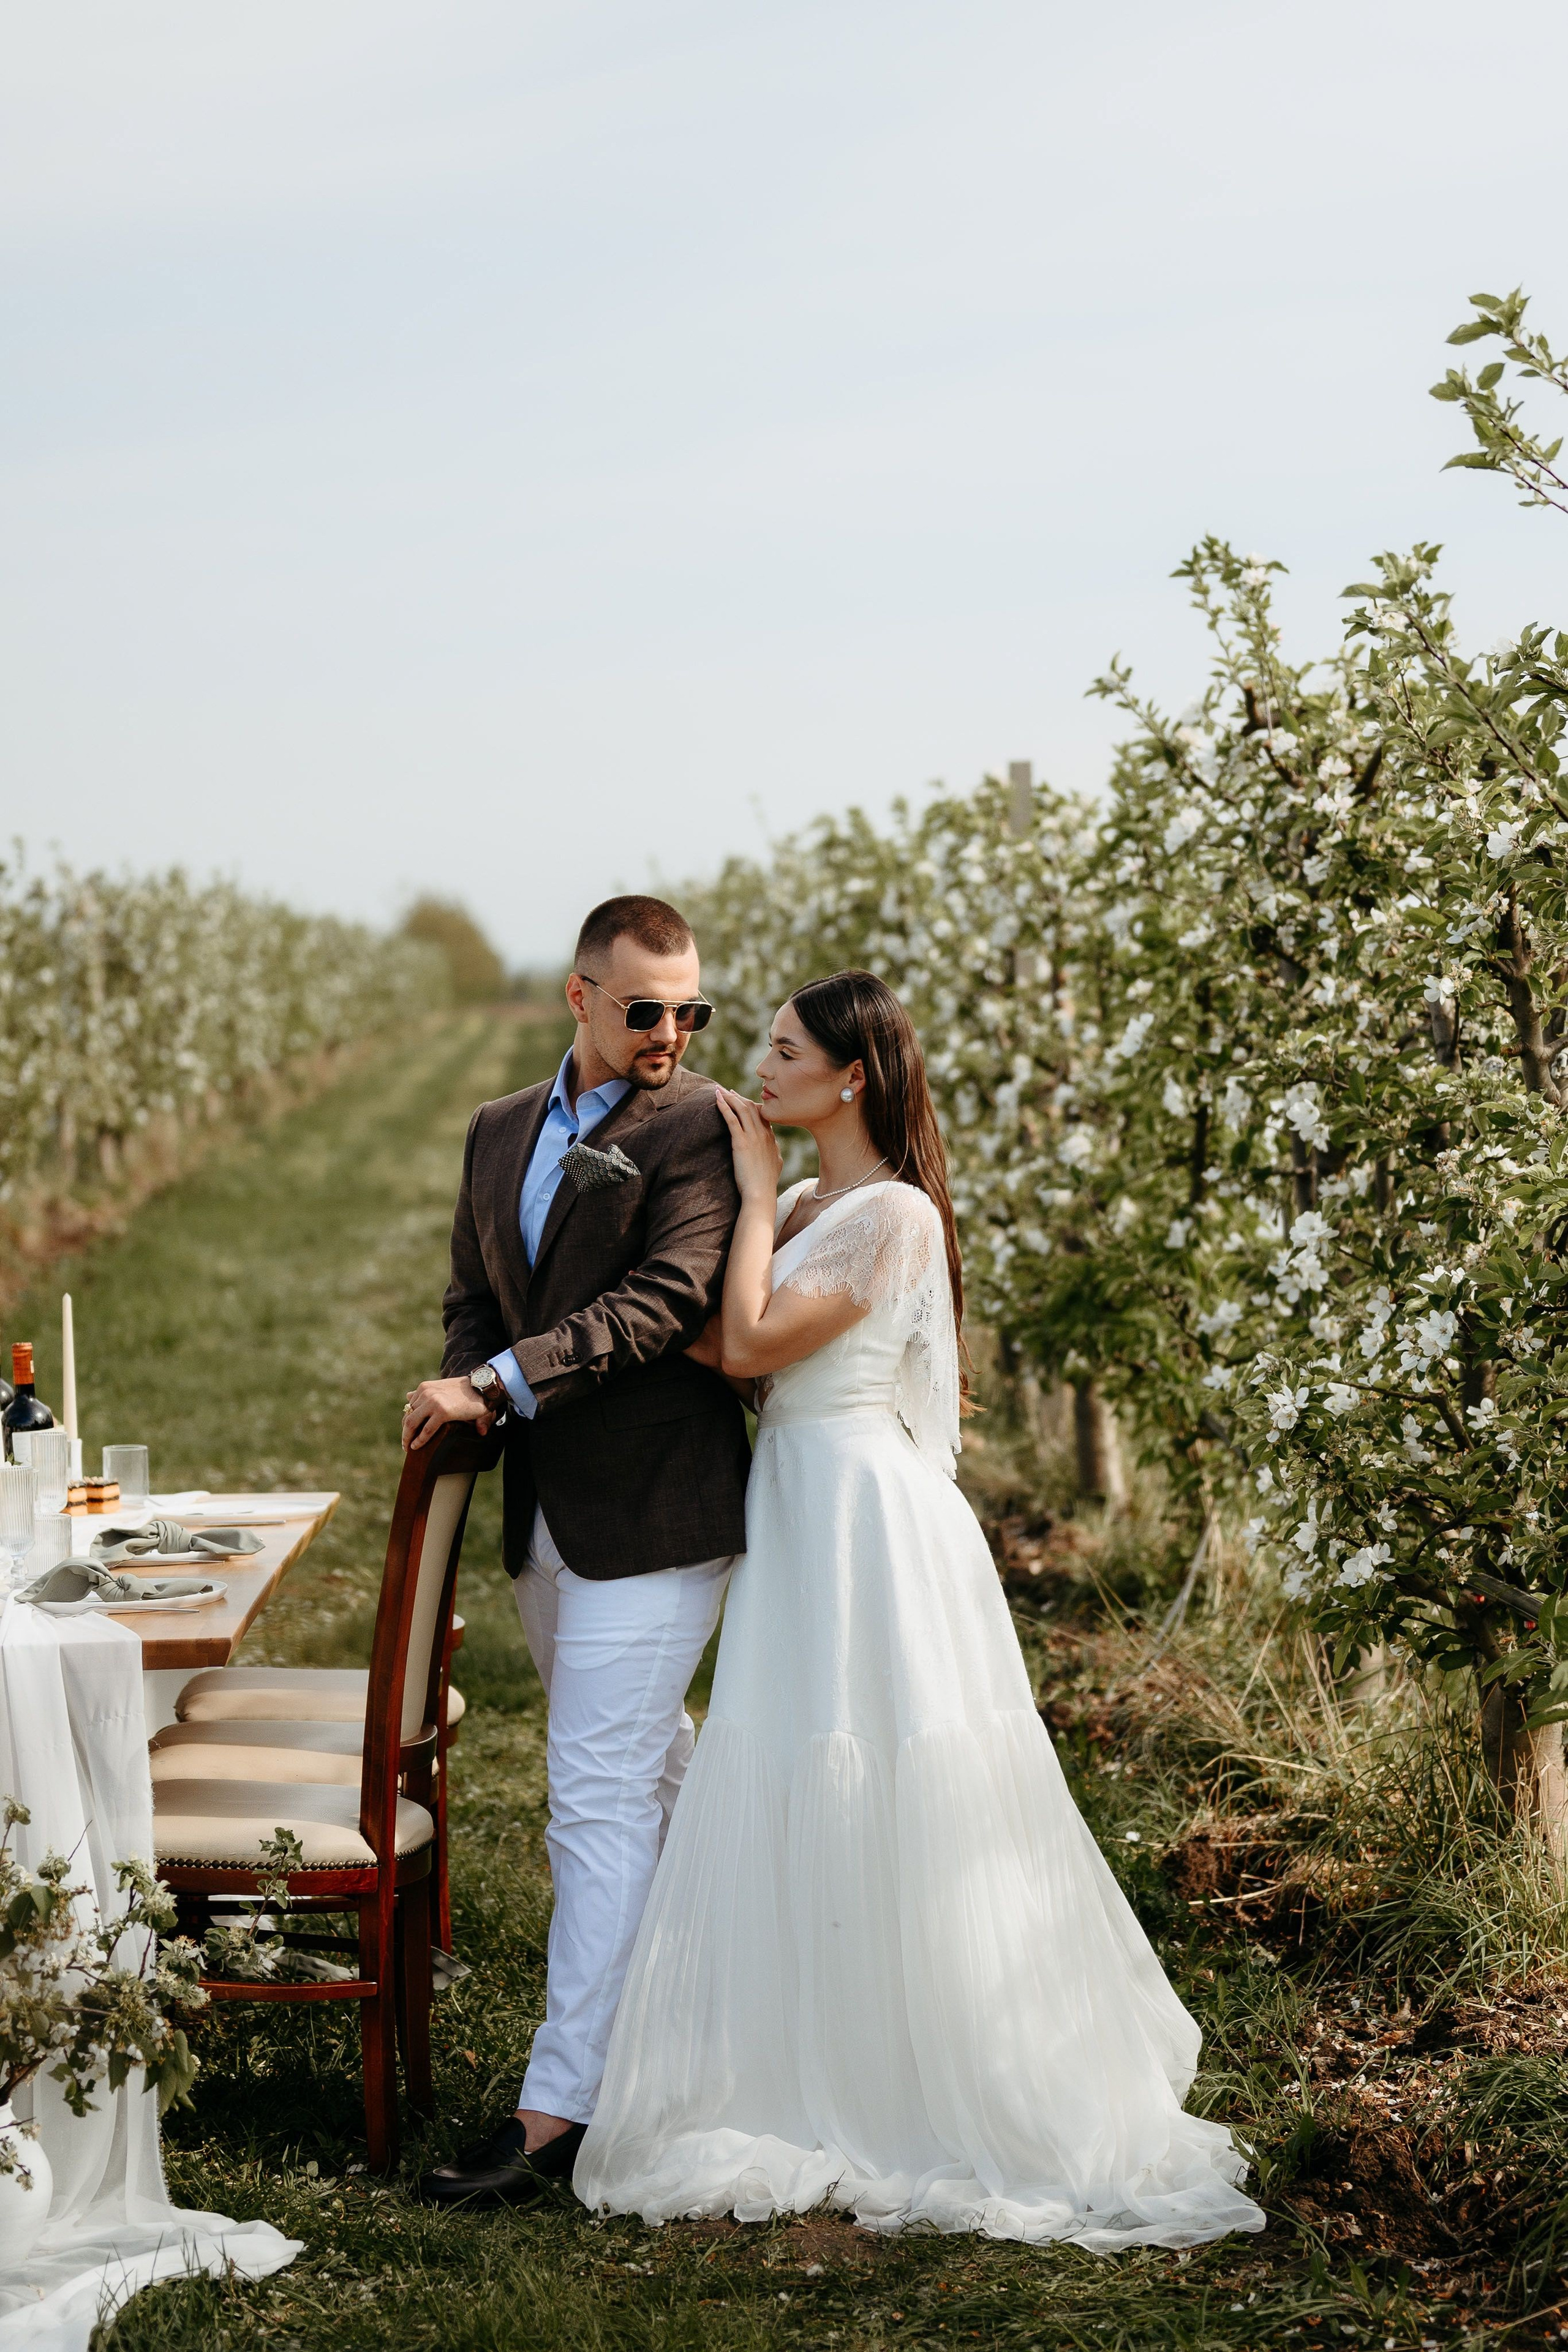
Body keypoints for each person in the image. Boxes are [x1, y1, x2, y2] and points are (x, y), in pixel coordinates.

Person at [575, 970, 1265, 2248]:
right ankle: (823, 2047)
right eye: (765, 1051)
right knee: (803, 1758)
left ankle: (937, 2070)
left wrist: (733, 1186)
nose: (760, 1072)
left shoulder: (887, 1217)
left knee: (886, 1764)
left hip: (864, 1521)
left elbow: (738, 1347)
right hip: (796, 1509)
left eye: (783, 1053)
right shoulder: (800, 1201)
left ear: (849, 1078)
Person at [405, 895, 751, 2211]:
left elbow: (661, 1304)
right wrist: (464, 1392)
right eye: (642, 1009)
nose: (669, 1033)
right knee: (649, 1771)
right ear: (578, 997)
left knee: (593, 1798)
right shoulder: (498, 1129)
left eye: (689, 1010)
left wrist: (493, 1383)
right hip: (545, 1511)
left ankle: (559, 2114)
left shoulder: (702, 1129)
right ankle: (708, 2019)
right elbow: (471, 1299)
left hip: (659, 1509)